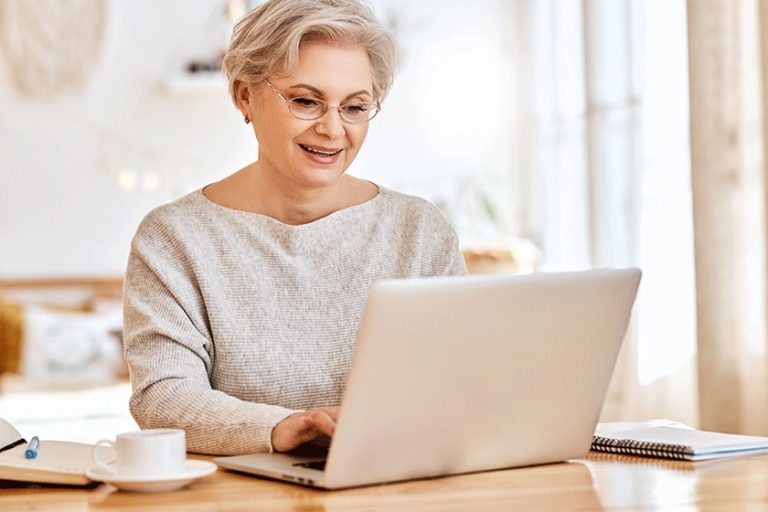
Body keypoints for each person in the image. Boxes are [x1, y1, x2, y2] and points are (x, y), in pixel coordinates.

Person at [123, 0, 467, 456]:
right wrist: (281, 427)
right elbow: (162, 398)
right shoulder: (174, 238)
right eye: (306, 101)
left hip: (395, 486)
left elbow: (459, 381)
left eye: (355, 107)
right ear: (244, 95)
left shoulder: (419, 230)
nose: (332, 129)